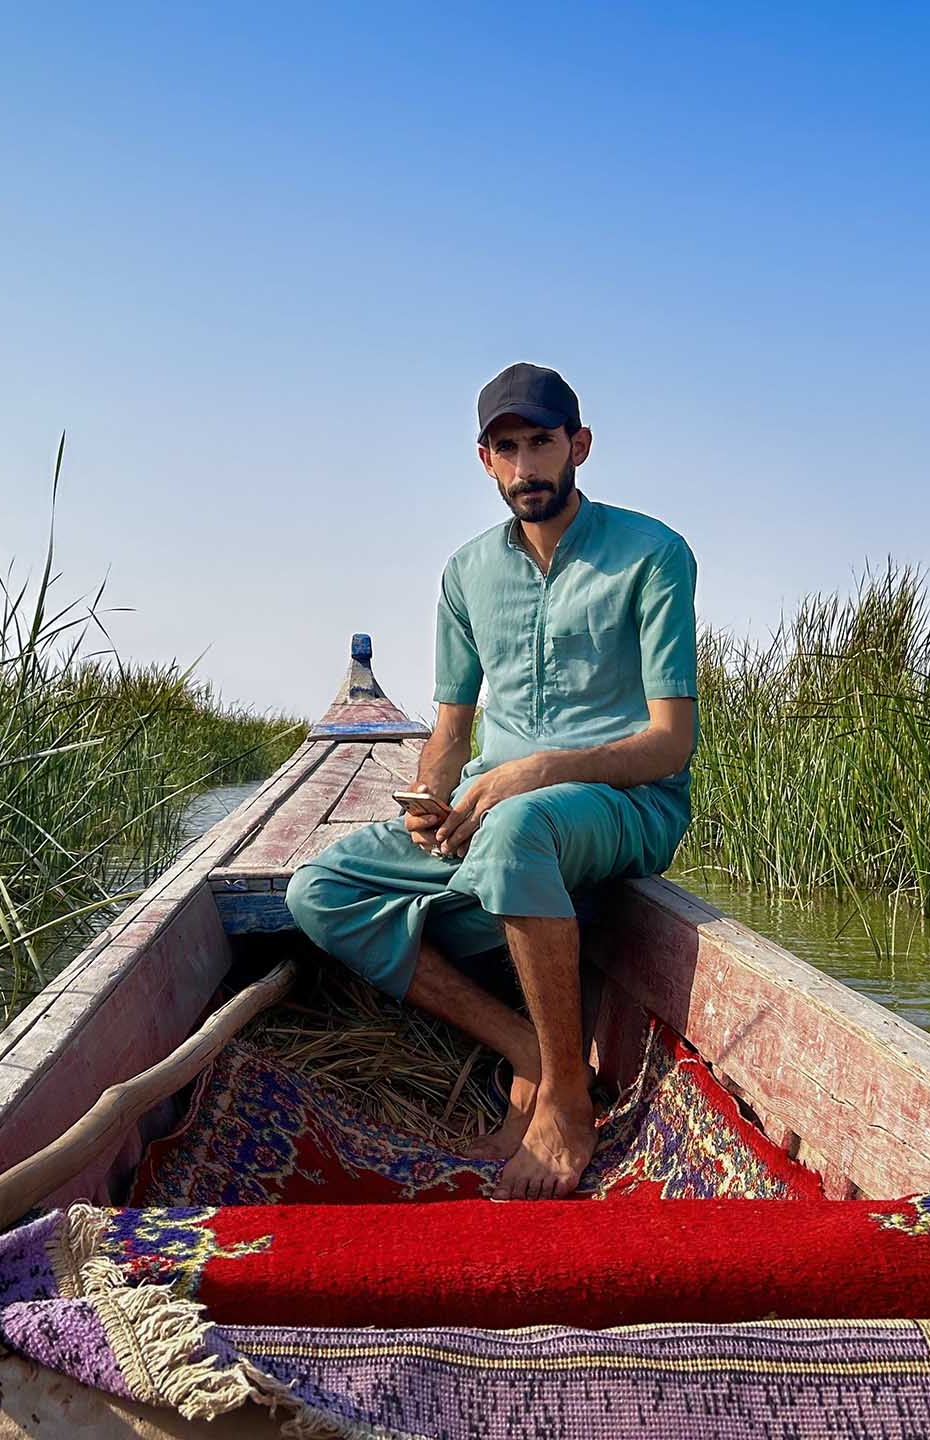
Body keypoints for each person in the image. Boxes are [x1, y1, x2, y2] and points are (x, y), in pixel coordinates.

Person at [285, 362, 699, 1199]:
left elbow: (668, 743)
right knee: (318, 890)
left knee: (516, 829)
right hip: (499, 809)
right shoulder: (466, 573)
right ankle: (527, 1047)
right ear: (485, 460)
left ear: (577, 446)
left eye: (540, 443)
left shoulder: (652, 555)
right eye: (505, 449)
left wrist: (536, 772)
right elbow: (450, 730)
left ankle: (569, 1103)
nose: (524, 468)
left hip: (622, 802)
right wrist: (428, 801)